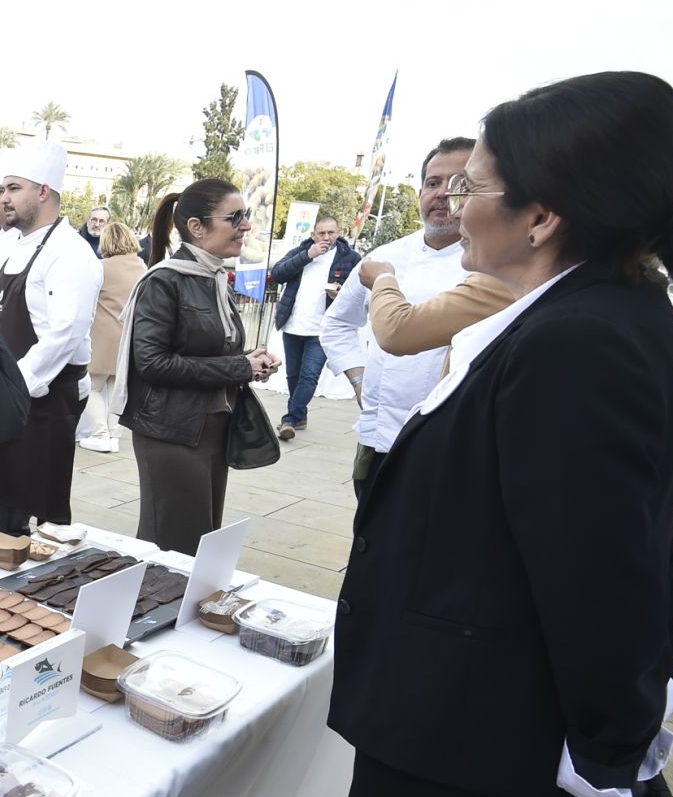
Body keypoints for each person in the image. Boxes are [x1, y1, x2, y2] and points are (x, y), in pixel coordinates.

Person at [252, 72, 673, 797]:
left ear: (543, 216)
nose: (456, 206)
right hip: (460, 704)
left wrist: (614, 748)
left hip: (461, 724)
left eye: (480, 186)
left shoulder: (583, 342)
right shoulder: (586, 311)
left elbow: (604, 575)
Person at [319, 137, 515, 501]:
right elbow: (336, 324)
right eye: (432, 182)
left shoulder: (496, 266)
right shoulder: (385, 256)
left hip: (452, 445)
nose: (442, 194)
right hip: (378, 437)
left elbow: (401, 331)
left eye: (459, 184)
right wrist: (359, 378)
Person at [116, 179, 277, 554]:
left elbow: (208, 347)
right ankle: (153, 612)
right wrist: (239, 367)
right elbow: (153, 363)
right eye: (235, 217)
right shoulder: (165, 281)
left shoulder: (213, 276)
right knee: (172, 545)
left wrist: (252, 359)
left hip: (212, 427)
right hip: (171, 432)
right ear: (196, 227)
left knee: (200, 538)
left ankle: (182, 611)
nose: (246, 225)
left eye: (247, 215)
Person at [0, 143, 102, 535]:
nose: (2, 199)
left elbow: (63, 335)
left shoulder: (70, 254)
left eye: (12, 189)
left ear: (44, 192)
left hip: (42, 403)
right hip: (0, 395)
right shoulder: (14, 245)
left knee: (25, 516)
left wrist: (10, 384)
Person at [267, 214, 359, 440]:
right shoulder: (301, 252)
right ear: (313, 235)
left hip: (323, 329)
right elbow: (278, 274)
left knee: (309, 376)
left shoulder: (350, 258)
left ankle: (289, 419)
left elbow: (359, 291)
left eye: (331, 232)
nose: (327, 237)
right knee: (293, 376)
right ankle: (300, 415)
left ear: (338, 233)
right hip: (293, 325)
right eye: (322, 233)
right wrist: (308, 255)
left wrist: (340, 295)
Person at [77, 219, 148, 453]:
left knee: (91, 387)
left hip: (101, 337)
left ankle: (100, 433)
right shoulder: (141, 266)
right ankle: (113, 433)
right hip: (128, 338)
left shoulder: (100, 267)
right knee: (118, 390)